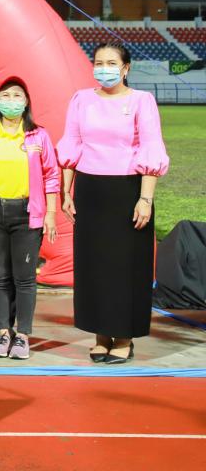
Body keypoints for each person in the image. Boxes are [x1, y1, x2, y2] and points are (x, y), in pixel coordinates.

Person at [58, 41, 168, 364]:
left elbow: (151, 148)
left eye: (111, 63)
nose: (103, 68)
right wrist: (66, 191)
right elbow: (72, 144)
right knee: (93, 265)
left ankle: (123, 337)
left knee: (125, 266)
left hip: (128, 191)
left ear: (125, 68)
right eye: (98, 62)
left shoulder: (141, 101)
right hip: (89, 190)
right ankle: (100, 336)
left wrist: (145, 198)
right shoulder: (81, 100)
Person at [0, 77, 60, 360]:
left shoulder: (38, 136)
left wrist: (51, 213)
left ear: (26, 101)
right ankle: (3, 332)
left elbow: (51, 175)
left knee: (25, 278)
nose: (11, 101)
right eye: (5, 95)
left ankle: (23, 335)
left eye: (17, 95)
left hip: (27, 214)